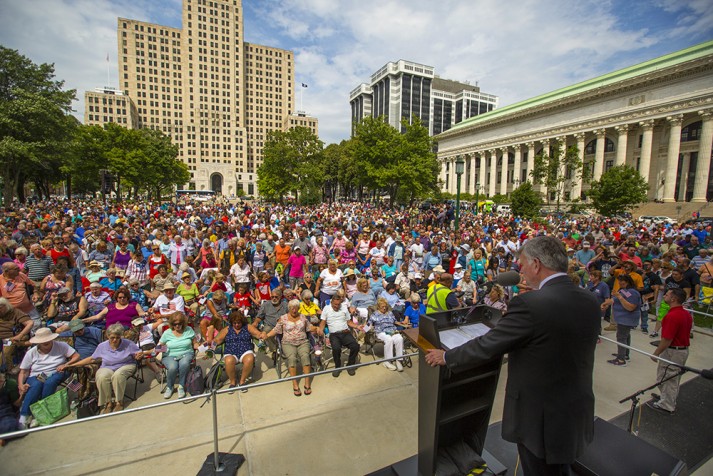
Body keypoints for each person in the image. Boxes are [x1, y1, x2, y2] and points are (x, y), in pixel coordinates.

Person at [425, 236, 600, 475]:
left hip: (540, 419)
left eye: (523, 264)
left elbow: (489, 344)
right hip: (574, 413)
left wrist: (446, 357)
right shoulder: (589, 299)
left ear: (536, 265)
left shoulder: (530, 304)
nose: (521, 270)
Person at [66, 323, 145, 414]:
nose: (115, 340)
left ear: (121, 336)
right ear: (107, 336)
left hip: (126, 365)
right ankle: (108, 403)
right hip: (107, 367)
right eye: (112, 338)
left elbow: (138, 353)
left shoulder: (128, 343)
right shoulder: (102, 346)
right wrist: (73, 365)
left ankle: (119, 401)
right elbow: (92, 359)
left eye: (117, 337)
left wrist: (139, 355)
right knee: (101, 376)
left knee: (118, 375)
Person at [17, 328, 80, 429]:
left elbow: (76, 356)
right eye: (42, 341)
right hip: (38, 374)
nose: (45, 342)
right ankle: (24, 416)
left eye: (47, 339)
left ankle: (41, 413)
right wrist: (20, 385)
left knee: (50, 382)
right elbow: (23, 371)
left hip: (57, 371)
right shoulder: (32, 352)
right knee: (36, 384)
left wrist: (66, 364)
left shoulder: (61, 345)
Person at [647, 288, 693, 414]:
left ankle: (667, 405)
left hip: (673, 352)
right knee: (670, 378)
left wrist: (656, 353)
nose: (664, 296)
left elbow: (667, 339)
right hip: (681, 350)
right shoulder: (686, 314)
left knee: (667, 377)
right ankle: (666, 397)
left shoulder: (672, 316)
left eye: (667, 295)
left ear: (674, 299)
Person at [263, 299, 318, 396]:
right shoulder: (283, 318)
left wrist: (317, 328)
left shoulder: (303, 317)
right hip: (288, 343)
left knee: (305, 356)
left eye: (296, 308)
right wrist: (267, 336)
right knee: (291, 358)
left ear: (298, 308)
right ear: (289, 308)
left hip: (302, 342)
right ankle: (295, 384)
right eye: (292, 308)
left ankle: (307, 383)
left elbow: (309, 327)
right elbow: (276, 330)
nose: (294, 310)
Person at [213, 310, 262, 391]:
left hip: (245, 350)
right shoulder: (227, 329)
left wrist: (262, 334)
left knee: (250, 359)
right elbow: (217, 340)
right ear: (232, 322)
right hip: (231, 351)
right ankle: (233, 382)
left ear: (242, 321)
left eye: (239, 323)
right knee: (228, 361)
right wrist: (210, 346)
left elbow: (257, 334)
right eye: (234, 323)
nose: (236, 325)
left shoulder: (248, 327)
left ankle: (242, 381)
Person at [318, 290, 362, 377]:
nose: (337, 306)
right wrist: (320, 330)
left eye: (338, 304)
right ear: (331, 302)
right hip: (334, 334)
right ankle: (338, 367)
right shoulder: (326, 309)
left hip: (345, 332)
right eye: (335, 304)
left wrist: (357, 327)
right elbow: (323, 322)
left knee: (355, 346)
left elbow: (349, 322)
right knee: (336, 348)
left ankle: (350, 365)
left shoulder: (344, 308)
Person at [159, 312, 198, 399]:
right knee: (173, 367)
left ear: (183, 323)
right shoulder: (167, 333)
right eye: (174, 324)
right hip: (170, 354)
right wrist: (154, 352)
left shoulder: (189, 330)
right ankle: (170, 386)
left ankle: (181, 386)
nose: (177, 326)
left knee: (184, 364)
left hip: (186, 352)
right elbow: (160, 345)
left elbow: (195, 343)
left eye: (179, 323)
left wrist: (203, 348)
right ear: (171, 324)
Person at [605, 274, 642, 366]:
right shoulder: (625, 291)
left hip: (626, 319)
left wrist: (619, 297)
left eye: (622, 281)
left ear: (628, 282)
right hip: (621, 318)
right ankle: (625, 354)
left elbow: (631, 307)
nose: (620, 283)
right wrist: (605, 304)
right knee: (626, 336)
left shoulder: (633, 292)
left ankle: (621, 360)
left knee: (621, 337)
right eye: (619, 281)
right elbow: (615, 300)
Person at [369, 297, 408, 371]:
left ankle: (398, 360)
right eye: (382, 307)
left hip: (392, 330)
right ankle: (387, 361)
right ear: (378, 307)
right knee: (389, 340)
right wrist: (363, 329)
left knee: (400, 338)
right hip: (381, 332)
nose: (384, 308)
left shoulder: (390, 313)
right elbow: (369, 324)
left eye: (385, 306)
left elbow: (395, 322)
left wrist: (402, 323)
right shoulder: (375, 314)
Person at [0, 298, 34, 373]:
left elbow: (30, 323)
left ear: (5, 306)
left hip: (10, 338)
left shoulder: (15, 312)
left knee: (4, 353)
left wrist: (20, 335)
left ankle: (7, 372)